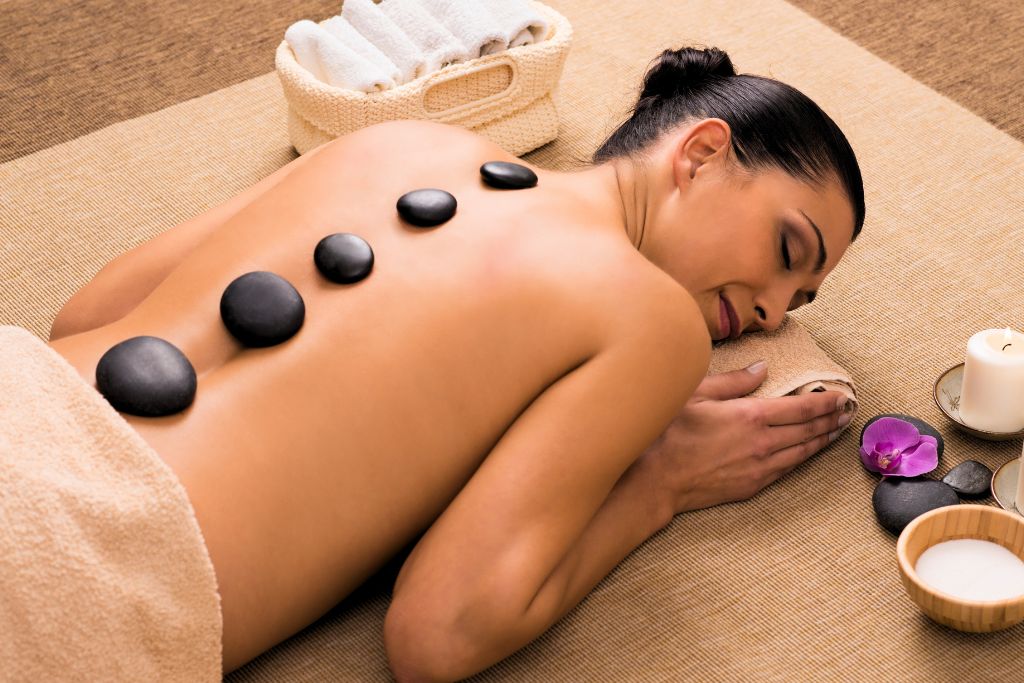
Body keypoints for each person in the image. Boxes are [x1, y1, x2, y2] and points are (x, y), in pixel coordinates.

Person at [46, 45, 863, 680]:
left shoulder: (404, 140)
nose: (768, 308)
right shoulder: (655, 326)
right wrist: (662, 479)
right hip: (80, 572)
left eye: (795, 303)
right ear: (703, 152)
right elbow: (440, 633)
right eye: (788, 249)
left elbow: (83, 319)